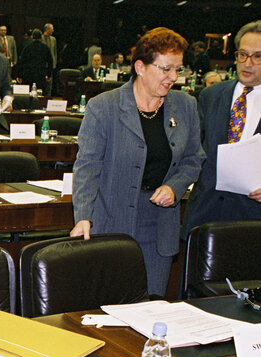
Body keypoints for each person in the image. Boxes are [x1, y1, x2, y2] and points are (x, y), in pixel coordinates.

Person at [70, 27, 205, 297]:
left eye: (178, 70)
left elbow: (194, 158)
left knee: (150, 302)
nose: (173, 78)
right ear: (140, 67)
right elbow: (87, 166)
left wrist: (174, 187)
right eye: (166, 69)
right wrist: (83, 216)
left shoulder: (185, 105)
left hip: (159, 226)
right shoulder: (104, 107)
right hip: (111, 220)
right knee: (109, 306)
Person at [182, 20, 261, 237]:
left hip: (254, 218)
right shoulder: (211, 95)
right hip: (205, 214)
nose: (247, 63)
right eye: (242, 54)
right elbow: (192, 151)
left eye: (258, 56)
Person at [19, 29, 52, 94]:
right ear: (41, 37)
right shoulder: (45, 48)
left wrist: (19, 75)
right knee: (40, 94)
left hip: (28, 74)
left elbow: (21, 62)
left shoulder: (27, 47)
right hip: (41, 74)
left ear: (32, 37)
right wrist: (49, 74)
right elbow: (50, 62)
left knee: (29, 94)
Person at [43, 23, 58, 94]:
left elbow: (54, 52)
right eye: (52, 29)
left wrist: (54, 62)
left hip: (51, 64)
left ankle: (48, 95)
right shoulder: (41, 38)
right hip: (43, 64)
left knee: (50, 83)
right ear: (47, 29)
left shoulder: (53, 39)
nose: (53, 30)